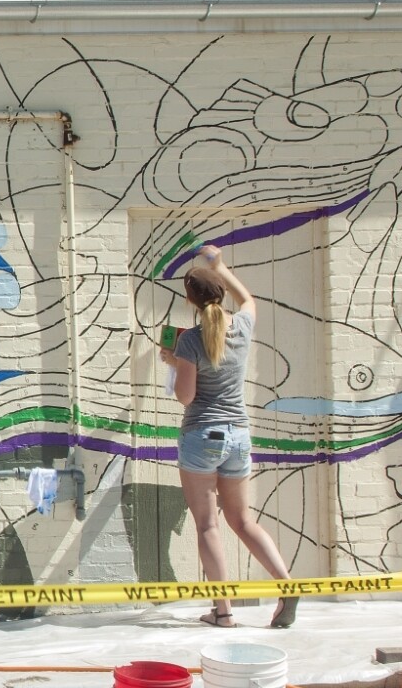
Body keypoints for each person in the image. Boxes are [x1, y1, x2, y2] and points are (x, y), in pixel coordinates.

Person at [159, 246, 297, 629]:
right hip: (238, 435)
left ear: (191, 300)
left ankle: (223, 611)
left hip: (202, 435)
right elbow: (249, 299)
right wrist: (221, 266)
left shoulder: (190, 341)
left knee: (208, 526)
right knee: (243, 520)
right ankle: (286, 585)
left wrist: (173, 362)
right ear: (219, 294)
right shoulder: (243, 325)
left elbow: (186, 396)